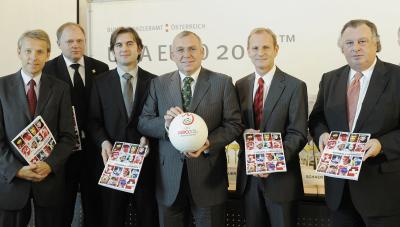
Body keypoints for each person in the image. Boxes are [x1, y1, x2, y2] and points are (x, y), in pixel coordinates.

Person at [138, 31, 243, 227]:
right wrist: (166, 124)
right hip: (168, 180)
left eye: (193, 48)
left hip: (208, 179)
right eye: (180, 50)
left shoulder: (222, 82)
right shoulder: (158, 84)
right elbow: (143, 122)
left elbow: (234, 124)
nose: (187, 54)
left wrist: (208, 143)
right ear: (172, 55)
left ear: (202, 51)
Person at [309, 19, 400, 226]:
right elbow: (317, 118)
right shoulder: (330, 79)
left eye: (362, 41)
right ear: (342, 48)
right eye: (349, 43)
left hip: (383, 193)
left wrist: (382, 144)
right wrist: (322, 134)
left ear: (376, 44)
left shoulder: (397, 78)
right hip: (339, 192)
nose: (356, 48)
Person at [0, 29, 75, 227]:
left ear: (48, 54)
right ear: (18, 52)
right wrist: (17, 170)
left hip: (49, 182)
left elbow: (69, 137)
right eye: (28, 51)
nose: (34, 57)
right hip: (11, 183)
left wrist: (50, 164)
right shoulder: (1, 87)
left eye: (40, 52)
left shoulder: (61, 89)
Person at [235, 27, 308, 227]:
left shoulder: (295, 86)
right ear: (248, 50)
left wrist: (271, 161)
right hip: (249, 181)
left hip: (281, 181)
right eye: (255, 47)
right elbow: (234, 126)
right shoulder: (239, 86)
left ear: (276, 49)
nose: (261, 52)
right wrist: (243, 133)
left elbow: (298, 133)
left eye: (266, 47)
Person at [88, 27, 158, 227]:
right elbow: (92, 120)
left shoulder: (155, 81)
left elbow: (158, 120)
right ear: (112, 51)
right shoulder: (100, 82)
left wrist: (149, 138)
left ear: (140, 49)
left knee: (148, 219)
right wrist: (103, 141)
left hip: (146, 166)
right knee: (112, 219)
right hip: (112, 165)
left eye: (129, 44)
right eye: (118, 45)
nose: (124, 48)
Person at [42, 22, 109, 227]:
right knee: (62, 209)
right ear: (58, 44)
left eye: (79, 40)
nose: (75, 45)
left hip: (93, 151)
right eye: (69, 41)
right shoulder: (47, 70)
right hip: (63, 152)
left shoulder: (101, 68)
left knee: (94, 208)